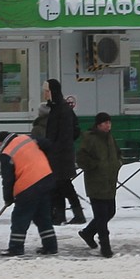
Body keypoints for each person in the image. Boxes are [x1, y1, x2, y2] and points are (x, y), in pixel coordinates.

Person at [0, 130, 58, 256]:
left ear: (1, 142)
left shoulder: (7, 153)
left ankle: (16, 248)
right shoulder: (27, 138)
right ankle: (50, 246)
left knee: (20, 218)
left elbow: (8, 179)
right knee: (43, 217)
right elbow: (48, 144)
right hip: (46, 179)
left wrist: (8, 197)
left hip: (28, 186)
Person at [76, 112, 123, 258]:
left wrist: (118, 162)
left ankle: (88, 232)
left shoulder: (110, 138)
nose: (108, 125)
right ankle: (105, 246)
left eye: (109, 122)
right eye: (105, 123)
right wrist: (95, 166)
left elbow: (117, 153)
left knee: (110, 212)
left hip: (109, 181)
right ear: (98, 125)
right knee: (102, 216)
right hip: (96, 182)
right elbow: (81, 157)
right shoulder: (90, 139)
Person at [43, 78, 85, 225]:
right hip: (59, 153)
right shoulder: (57, 108)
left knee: (64, 185)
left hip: (60, 155)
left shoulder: (61, 109)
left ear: (53, 91)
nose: (45, 94)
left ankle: (76, 214)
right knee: (59, 185)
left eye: (47, 91)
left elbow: (66, 133)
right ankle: (61, 215)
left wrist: (55, 149)